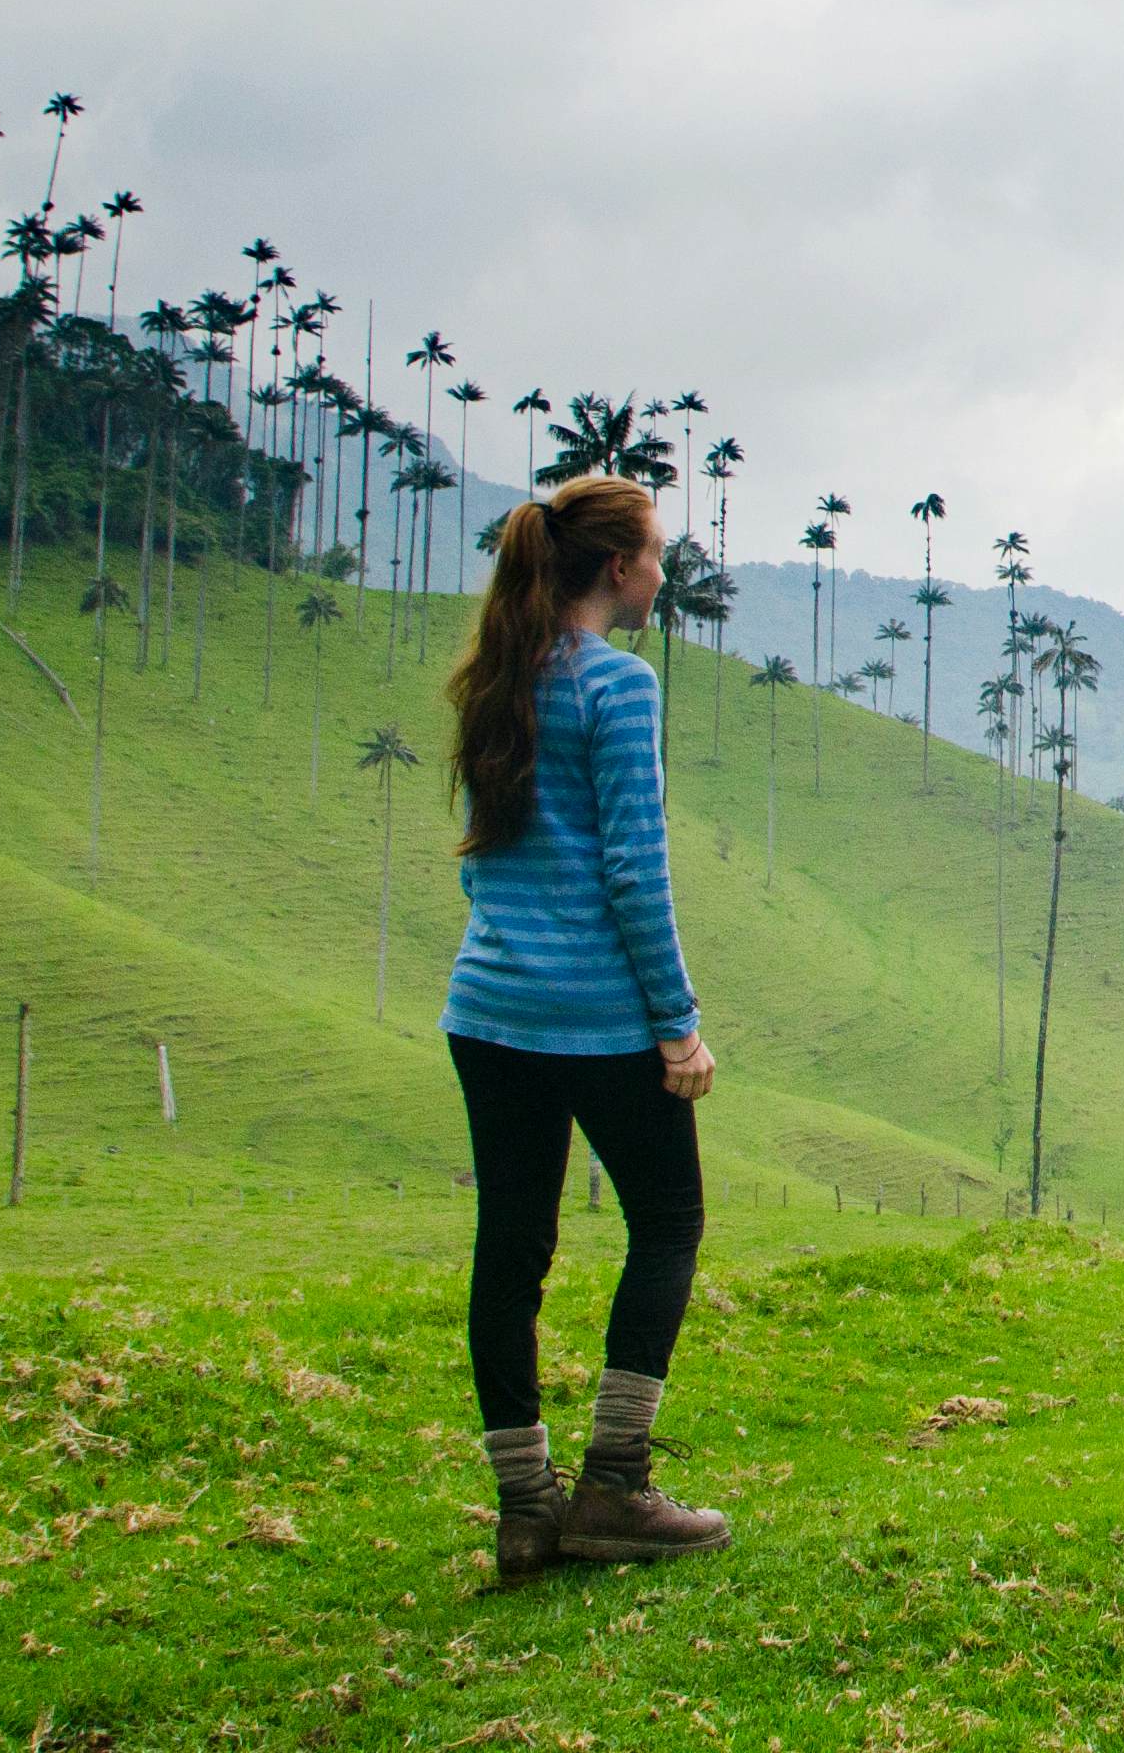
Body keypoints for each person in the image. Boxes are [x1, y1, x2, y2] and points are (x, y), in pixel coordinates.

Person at [441, 472, 730, 1576]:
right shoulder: (619, 688)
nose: (663, 572)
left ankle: (525, 1509)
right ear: (618, 569)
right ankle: (615, 1484)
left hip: (489, 1007)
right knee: (665, 1225)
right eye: (656, 554)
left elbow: (488, 860)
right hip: (602, 1017)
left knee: (510, 1248)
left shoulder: (494, 682)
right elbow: (633, 870)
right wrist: (677, 1026)